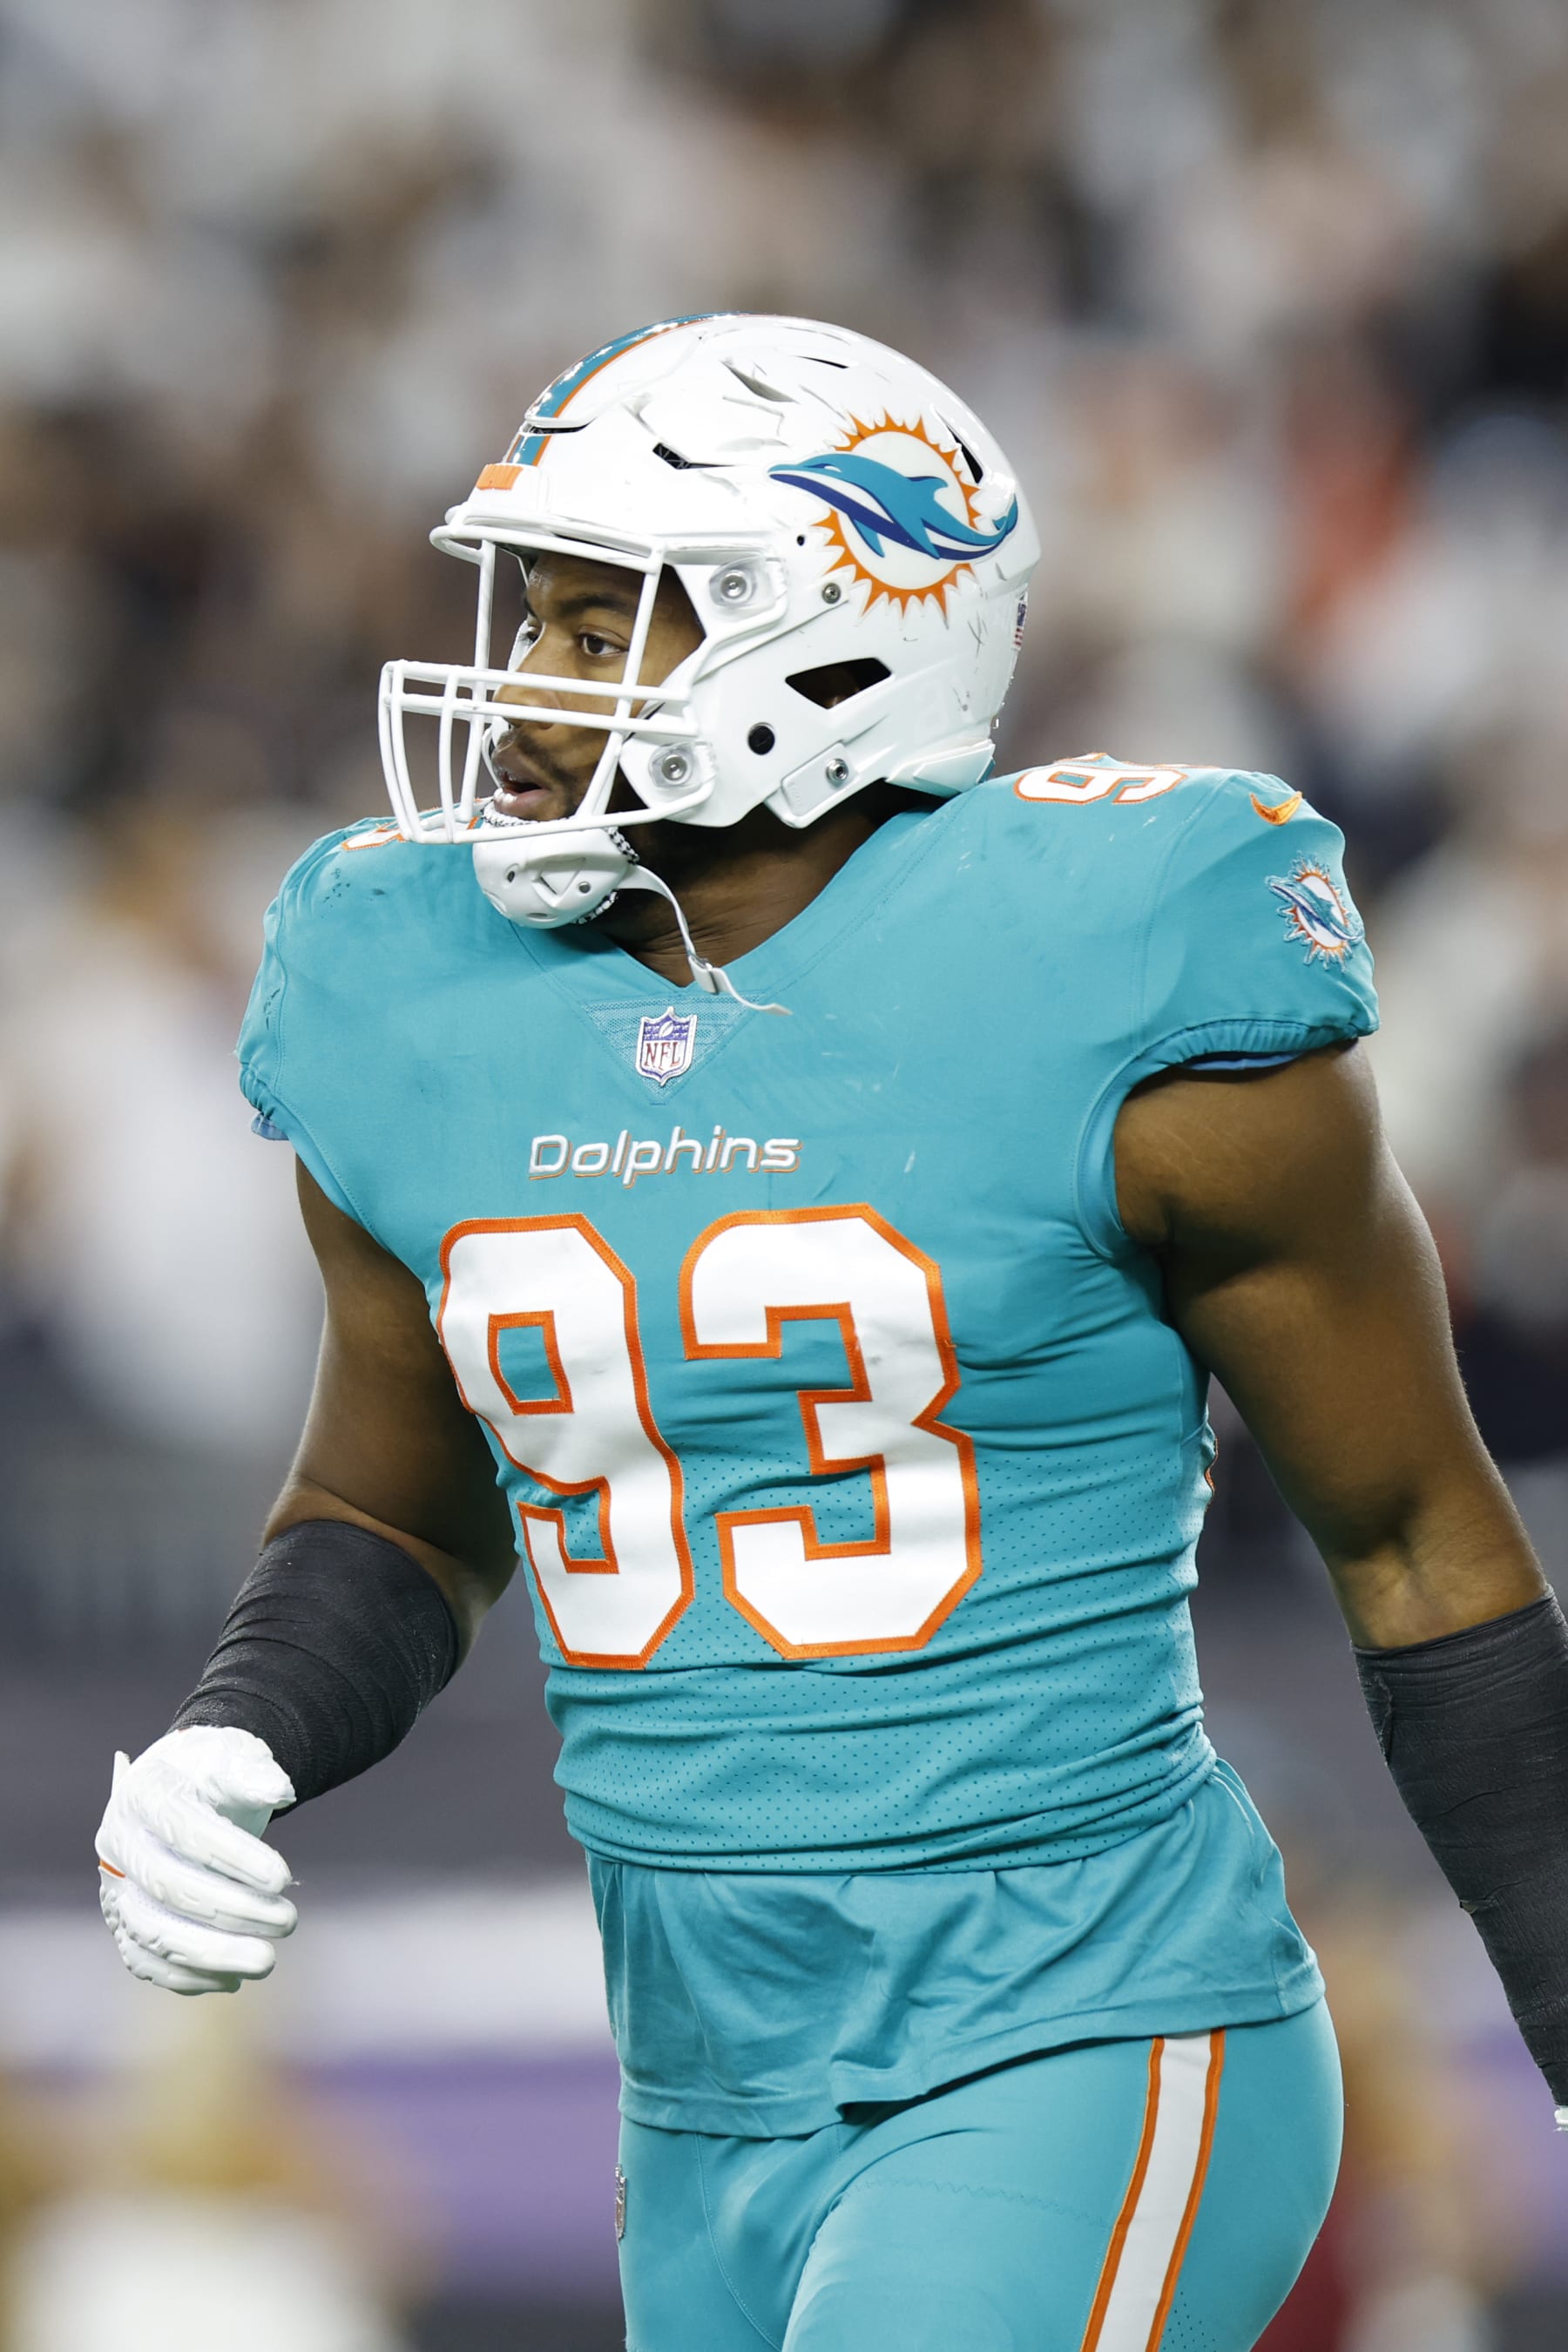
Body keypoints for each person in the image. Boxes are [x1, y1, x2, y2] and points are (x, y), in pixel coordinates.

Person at [95, 314, 1568, 2352]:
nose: (520, 685)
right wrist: (234, 1725)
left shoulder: (1111, 959)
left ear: (838, 643)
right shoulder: (399, 981)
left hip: (1091, 2027)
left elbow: (1415, 1538)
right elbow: (392, 1502)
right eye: (526, 608)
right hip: (701, 2100)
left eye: (604, 623)